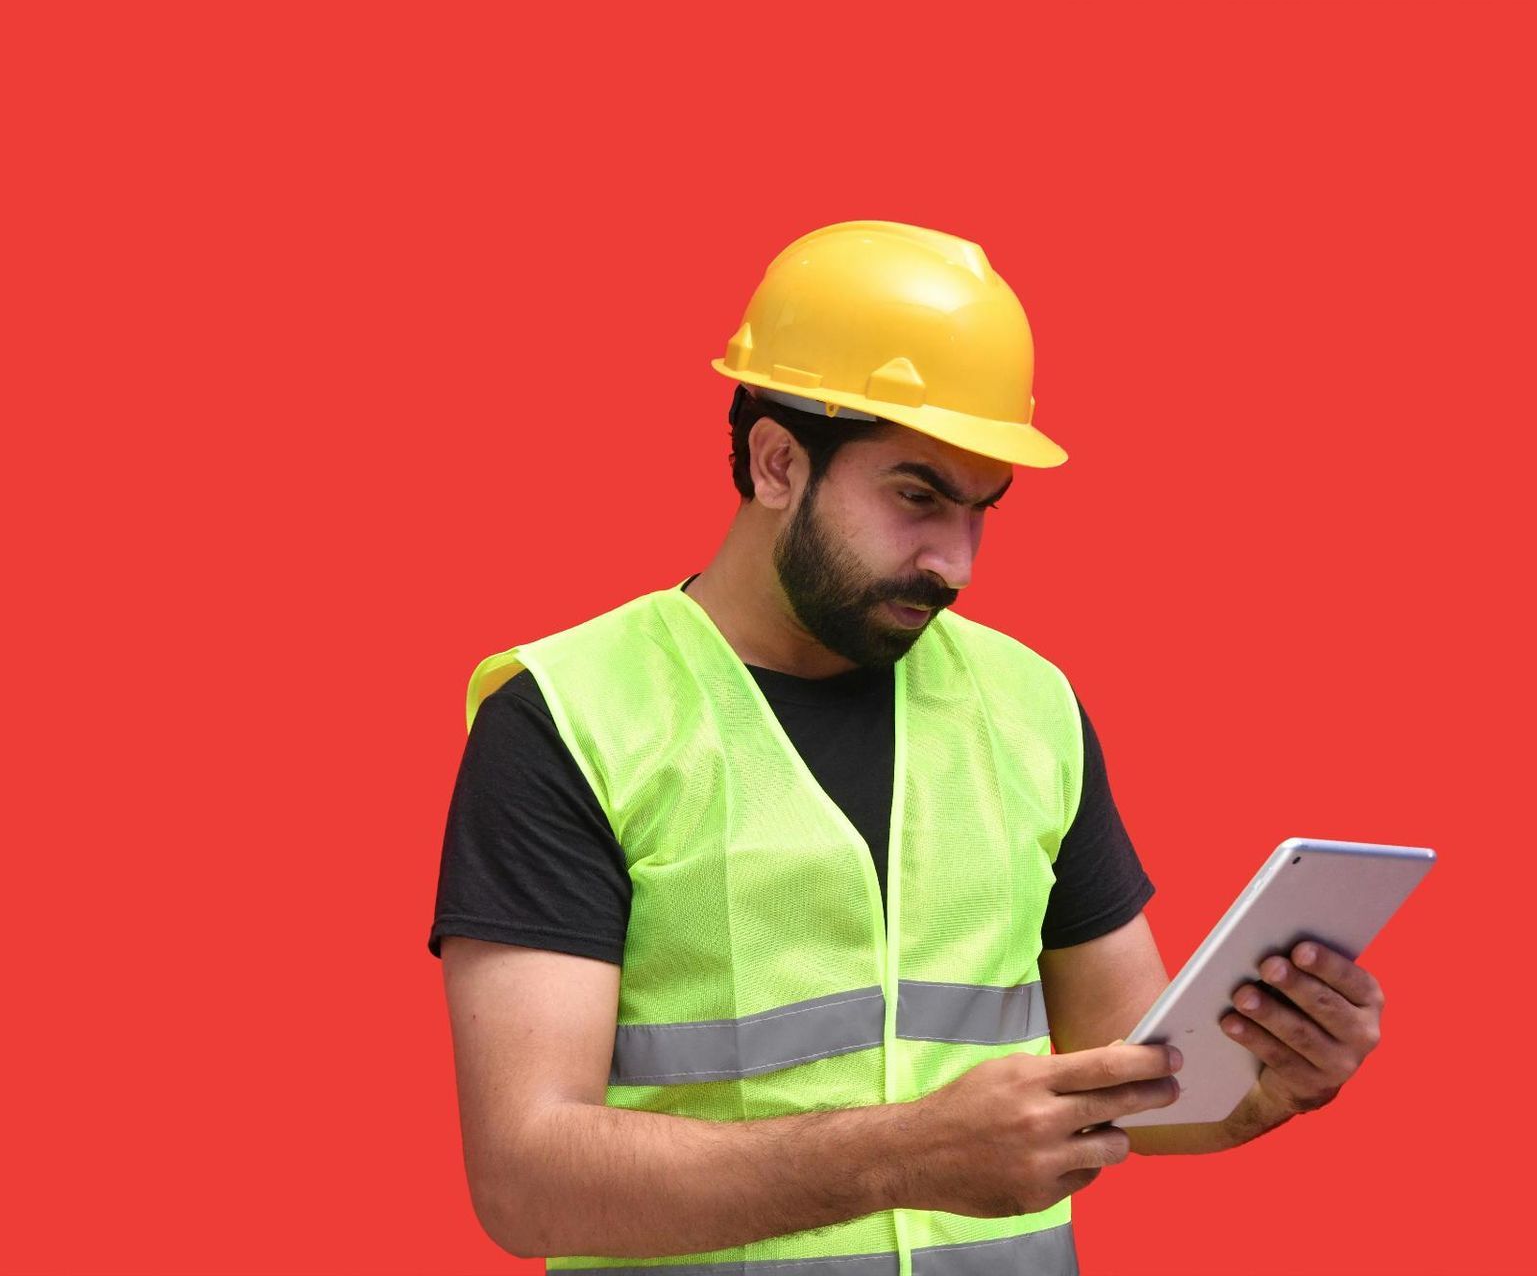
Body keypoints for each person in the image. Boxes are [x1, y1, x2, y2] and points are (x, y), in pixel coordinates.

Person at [429, 221, 1389, 1273]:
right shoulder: (569, 718)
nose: (956, 562)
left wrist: (1268, 1084)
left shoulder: (1031, 704)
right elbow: (528, 1180)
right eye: (916, 495)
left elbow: (1138, 1091)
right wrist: (905, 1157)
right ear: (777, 460)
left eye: (983, 508)